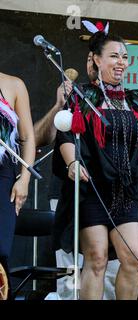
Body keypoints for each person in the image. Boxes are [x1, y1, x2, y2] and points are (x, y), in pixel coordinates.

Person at [52, 30, 138, 300]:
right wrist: (72, 162)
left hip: (127, 191)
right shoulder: (82, 96)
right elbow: (66, 133)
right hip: (92, 188)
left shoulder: (136, 102)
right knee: (97, 257)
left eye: (125, 57)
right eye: (114, 56)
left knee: (134, 257)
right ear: (95, 59)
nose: (121, 61)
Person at [0, 72, 35, 299]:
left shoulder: (14, 84)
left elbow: (27, 137)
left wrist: (24, 179)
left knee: (1, 250)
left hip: (4, 173)